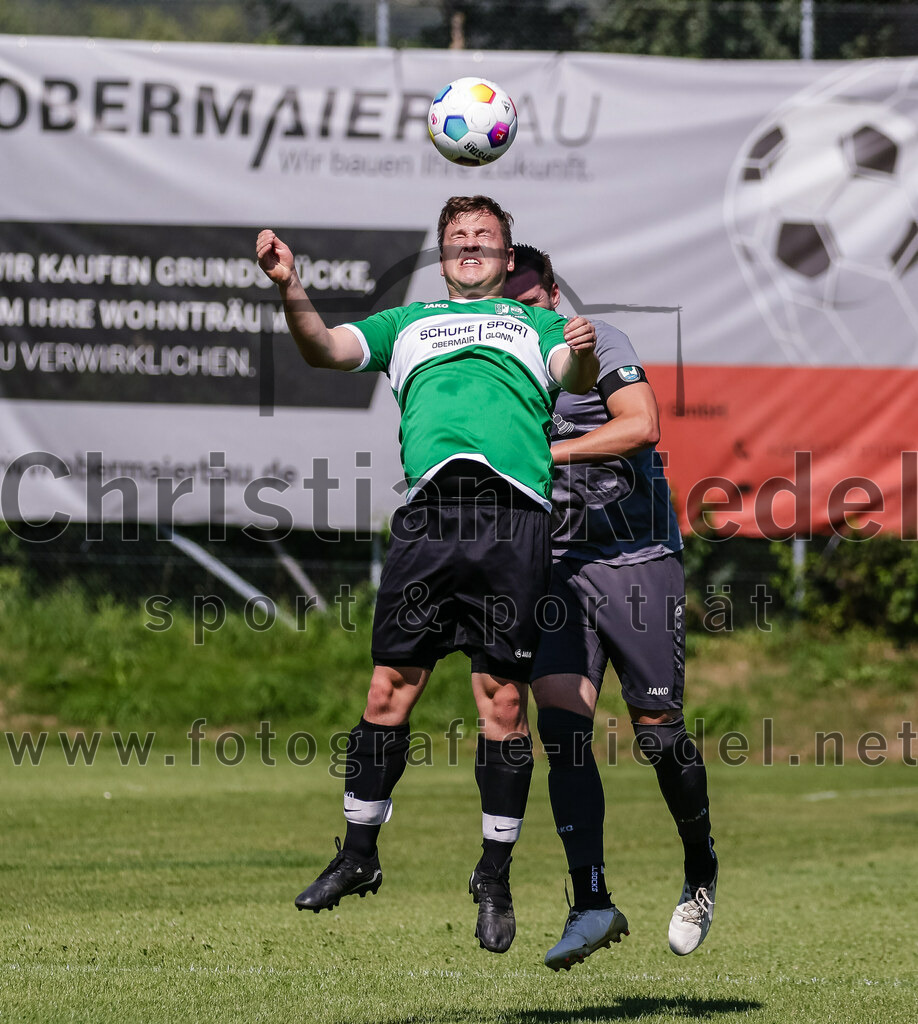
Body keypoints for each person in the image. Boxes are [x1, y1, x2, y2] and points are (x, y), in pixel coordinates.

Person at [256, 198, 598, 955]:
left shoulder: (535, 324)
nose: (469, 246)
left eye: (483, 238)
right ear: (441, 256)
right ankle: (357, 856)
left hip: (512, 521)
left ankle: (495, 877)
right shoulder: (405, 323)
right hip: (429, 521)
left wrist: (582, 347)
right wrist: (290, 288)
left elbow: (574, 375)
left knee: (501, 702)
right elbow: (322, 350)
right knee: (388, 690)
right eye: (456, 239)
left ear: (508, 260)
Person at [504, 245, 717, 971]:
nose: (525, 313)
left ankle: (700, 868)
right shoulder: (502, 370)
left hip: (635, 562)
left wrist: (544, 456)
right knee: (562, 728)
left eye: (533, 300)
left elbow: (641, 426)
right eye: (511, 303)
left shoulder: (593, 344)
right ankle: (591, 901)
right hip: (559, 567)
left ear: (554, 295)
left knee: (657, 733)